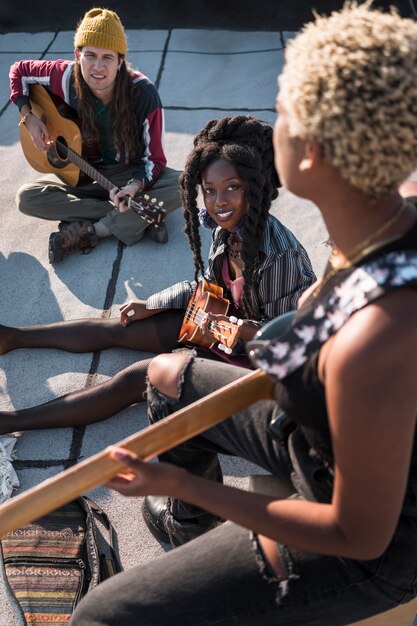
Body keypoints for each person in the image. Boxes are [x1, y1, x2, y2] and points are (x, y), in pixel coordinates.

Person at [70, 5, 417, 626]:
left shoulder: (379, 342)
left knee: (100, 616)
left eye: (281, 112)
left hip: (366, 536)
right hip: (311, 420)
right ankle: (189, 532)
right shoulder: (389, 210)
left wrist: (179, 484)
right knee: (165, 377)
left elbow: (354, 533)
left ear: (309, 154)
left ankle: (194, 522)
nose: (269, 123)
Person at [0, 114, 315, 435]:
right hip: (224, 326)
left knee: (140, 377)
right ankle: (12, 337)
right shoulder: (227, 229)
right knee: (124, 326)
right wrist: (152, 303)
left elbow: (281, 340)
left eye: (232, 187)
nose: (219, 201)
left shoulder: (281, 256)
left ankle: (12, 422)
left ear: (255, 187)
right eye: (209, 190)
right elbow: (208, 289)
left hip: (256, 367)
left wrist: (219, 328)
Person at [9, 7, 181, 262]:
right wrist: (29, 117)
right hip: (80, 176)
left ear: (120, 61)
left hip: (125, 173)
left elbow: (154, 160)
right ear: (77, 55)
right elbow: (19, 71)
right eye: (90, 55)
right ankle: (138, 218)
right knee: (26, 198)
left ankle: (93, 229)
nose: (98, 67)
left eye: (107, 58)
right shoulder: (65, 76)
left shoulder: (143, 93)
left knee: (183, 185)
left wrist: (133, 187)